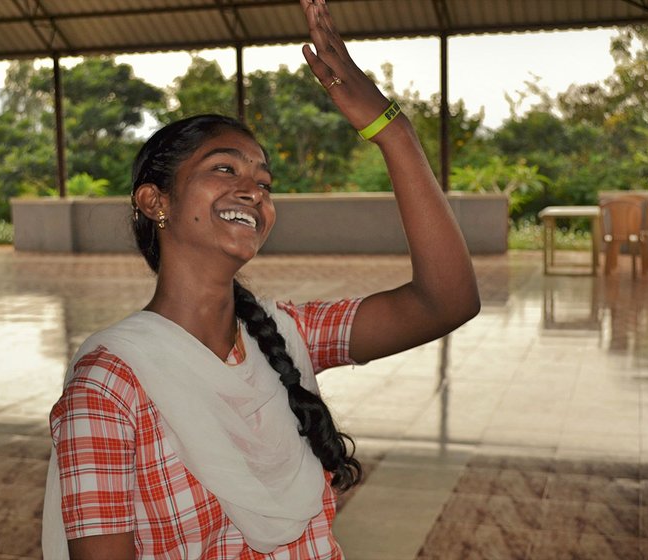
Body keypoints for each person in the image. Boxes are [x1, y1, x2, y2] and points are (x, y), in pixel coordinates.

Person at [41, 0, 480, 557]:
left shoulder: (284, 334)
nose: (254, 190)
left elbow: (446, 302)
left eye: (265, 182)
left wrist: (395, 133)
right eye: (225, 169)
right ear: (156, 201)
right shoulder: (109, 386)